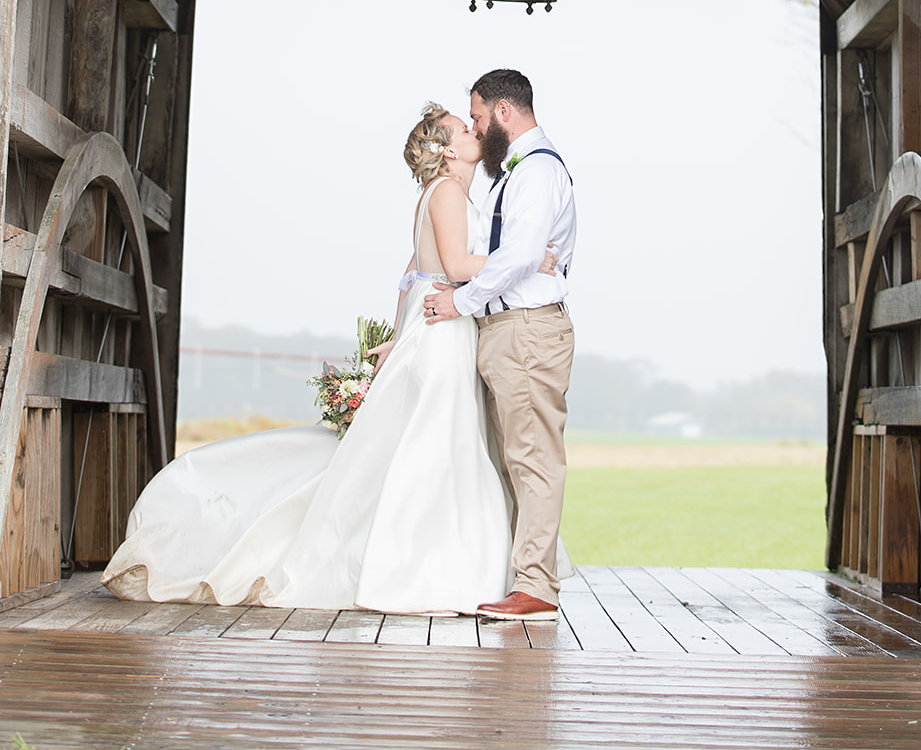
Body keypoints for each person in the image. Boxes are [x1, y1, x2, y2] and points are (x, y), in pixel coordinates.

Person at [101, 104, 556, 614]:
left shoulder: (447, 194)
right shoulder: (449, 192)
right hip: (444, 334)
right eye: (463, 125)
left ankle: (441, 560)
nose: (475, 129)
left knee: (431, 444)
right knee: (437, 445)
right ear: (448, 149)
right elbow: (453, 265)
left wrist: (399, 331)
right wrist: (528, 256)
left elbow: (413, 273)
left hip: (436, 326)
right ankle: (428, 566)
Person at [426, 68, 576, 624]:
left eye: (479, 117)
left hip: (528, 330)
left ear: (504, 114)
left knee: (532, 457)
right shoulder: (514, 171)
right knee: (510, 459)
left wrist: (460, 303)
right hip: (508, 331)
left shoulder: (536, 172)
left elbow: (516, 257)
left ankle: (536, 586)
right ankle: (518, 575)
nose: (474, 127)